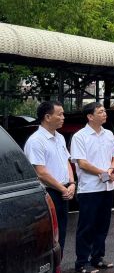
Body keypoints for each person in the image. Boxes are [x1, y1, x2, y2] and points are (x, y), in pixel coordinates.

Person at [70, 102, 114, 273]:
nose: (104, 114)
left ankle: (98, 257)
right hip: (89, 188)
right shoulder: (80, 136)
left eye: (104, 111)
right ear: (90, 116)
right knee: (87, 226)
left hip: (107, 186)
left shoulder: (108, 134)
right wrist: (103, 172)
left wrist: (110, 170)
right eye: (100, 112)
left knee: (103, 224)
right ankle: (81, 262)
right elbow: (83, 163)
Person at [24, 101, 74, 259]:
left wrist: (72, 184)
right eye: (60, 114)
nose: (63, 117)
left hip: (63, 191)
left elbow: (66, 161)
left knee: (62, 234)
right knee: (49, 236)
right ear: (47, 117)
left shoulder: (59, 137)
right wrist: (63, 188)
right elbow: (41, 173)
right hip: (49, 193)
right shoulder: (36, 141)